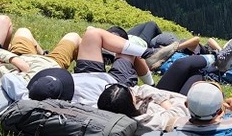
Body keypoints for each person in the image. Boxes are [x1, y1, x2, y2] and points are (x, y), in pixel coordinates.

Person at [25, 26, 154, 106]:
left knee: (92, 34)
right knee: (128, 53)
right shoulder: (89, 105)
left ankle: (139, 51)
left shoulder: (36, 93)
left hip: (80, 77)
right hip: (112, 84)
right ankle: (150, 64)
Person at [97, 82, 191, 130]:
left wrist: (163, 101)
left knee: (188, 67)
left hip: (171, 99)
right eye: (130, 93)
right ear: (130, 103)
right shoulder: (145, 122)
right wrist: (166, 103)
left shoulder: (121, 106)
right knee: (193, 73)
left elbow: (141, 88)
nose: (133, 91)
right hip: (185, 104)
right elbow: (178, 114)